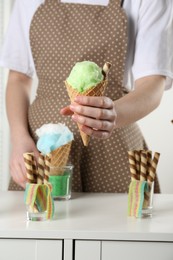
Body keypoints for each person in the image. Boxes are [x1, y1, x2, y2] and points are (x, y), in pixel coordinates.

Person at [0, 0, 173, 192]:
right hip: (41, 147)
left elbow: (152, 83)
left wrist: (113, 113)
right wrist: (19, 138)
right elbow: (18, 78)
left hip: (113, 146)